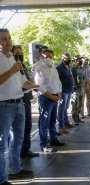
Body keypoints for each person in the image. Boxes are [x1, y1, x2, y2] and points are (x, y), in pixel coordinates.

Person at [0, 28, 39, 185]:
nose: (8, 40)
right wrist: (11, 70)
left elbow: (22, 81)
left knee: (18, 139)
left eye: (9, 38)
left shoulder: (15, 59)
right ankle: (2, 180)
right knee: (2, 145)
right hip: (4, 107)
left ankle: (15, 169)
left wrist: (35, 86)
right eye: (3, 39)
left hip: (20, 104)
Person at [11, 45, 40, 158]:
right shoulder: (11, 67)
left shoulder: (23, 66)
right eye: (17, 53)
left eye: (21, 53)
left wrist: (34, 86)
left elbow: (26, 81)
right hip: (18, 101)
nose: (20, 55)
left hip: (27, 100)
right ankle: (17, 154)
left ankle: (26, 149)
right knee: (18, 130)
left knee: (28, 126)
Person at [35, 49, 65, 152]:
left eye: (50, 57)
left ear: (52, 58)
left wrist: (59, 93)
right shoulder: (39, 69)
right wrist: (51, 97)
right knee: (44, 122)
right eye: (46, 57)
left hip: (55, 97)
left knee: (52, 121)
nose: (48, 59)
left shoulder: (54, 69)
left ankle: (53, 139)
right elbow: (40, 87)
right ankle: (43, 144)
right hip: (46, 98)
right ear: (42, 57)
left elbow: (58, 82)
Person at [56, 53, 75, 133]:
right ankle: (60, 126)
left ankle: (66, 123)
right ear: (63, 59)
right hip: (63, 91)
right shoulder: (59, 68)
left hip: (69, 90)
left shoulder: (68, 66)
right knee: (61, 108)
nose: (69, 60)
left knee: (66, 108)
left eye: (70, 58)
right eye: (68, 58)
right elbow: (57, 80)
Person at [71, 55, 85, 125]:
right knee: (74, 103)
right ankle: (74, 119)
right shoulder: (72, 69)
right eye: (79, 60)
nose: (81, 61)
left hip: (81, 87)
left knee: (80, 103)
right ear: (76, 61)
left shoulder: (82, 68)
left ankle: (78, 117)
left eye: (81, 60)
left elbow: (83, 77)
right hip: (75, 88)